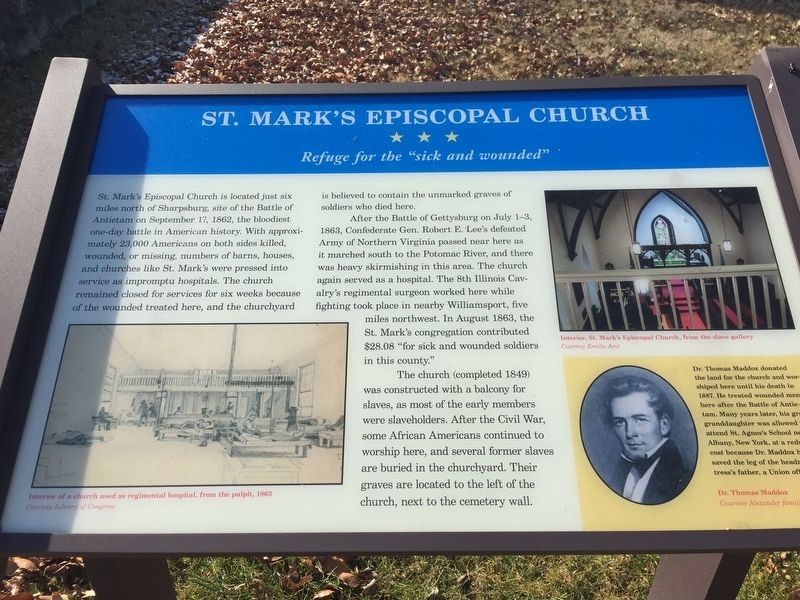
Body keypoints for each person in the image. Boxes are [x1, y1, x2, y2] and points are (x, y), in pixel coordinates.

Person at [603, 375, 690, 504]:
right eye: (620, 422)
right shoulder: (615, 479)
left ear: (664, 425)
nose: (629, 433)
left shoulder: (683, 481)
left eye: (640, 420)